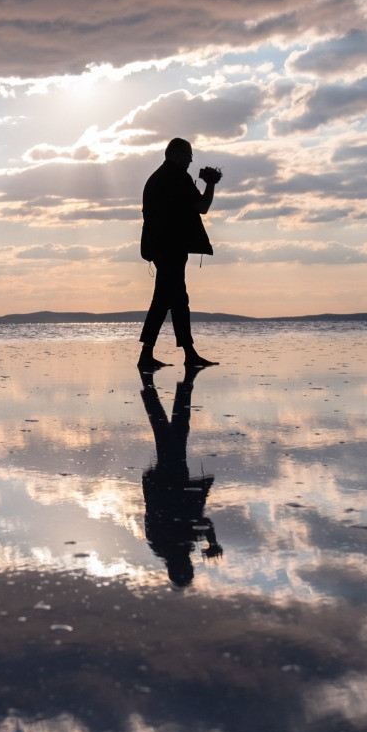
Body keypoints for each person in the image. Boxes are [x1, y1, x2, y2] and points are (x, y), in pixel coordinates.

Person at [138, 137, 220, 370]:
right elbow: (203, 207)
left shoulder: (156, 178)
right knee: (164, 299)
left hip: (160, 248)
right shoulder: (176, 176)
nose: (191, 160)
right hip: (171, 248)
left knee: (178, 300)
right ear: (174, 153)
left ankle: (188, 352)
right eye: (188, 155)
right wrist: (211, 183)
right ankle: (146, 355)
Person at [140, 365, 221, 587]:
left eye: (187, 567)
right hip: (170, 481)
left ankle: (171, 386)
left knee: (172, 431)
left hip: (168, 481)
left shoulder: (166, 545)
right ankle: (169, 387)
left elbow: (198, 521)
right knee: (172, 431)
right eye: (190, 567)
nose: (189, 564)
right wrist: (211, 542)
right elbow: (201, 523)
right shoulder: (173, 546)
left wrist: (211, 542)